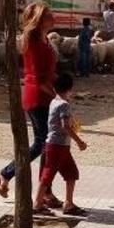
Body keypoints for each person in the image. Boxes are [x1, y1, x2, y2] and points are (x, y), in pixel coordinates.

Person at [0, 2, 62, 208]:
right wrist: (57, 97)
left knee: (45, 143)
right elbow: (38, 77)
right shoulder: (35, 43)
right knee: (44, 143)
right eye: (49, 15)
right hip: (38, 96)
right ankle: (14, 177)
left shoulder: (45, 39)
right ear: (39, 20)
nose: (53, 17)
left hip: (46, 95)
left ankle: (41, 189)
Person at [34, 72, 88, 217]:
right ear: (69, 90)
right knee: (48, 175)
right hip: (58, 146)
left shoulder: (54, 102)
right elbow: (65, 126)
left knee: (71, 173)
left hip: (58, 145)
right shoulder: (64, 105)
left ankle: (68, 204)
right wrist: (79, 141)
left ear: (54, 88)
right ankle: (37, 204)